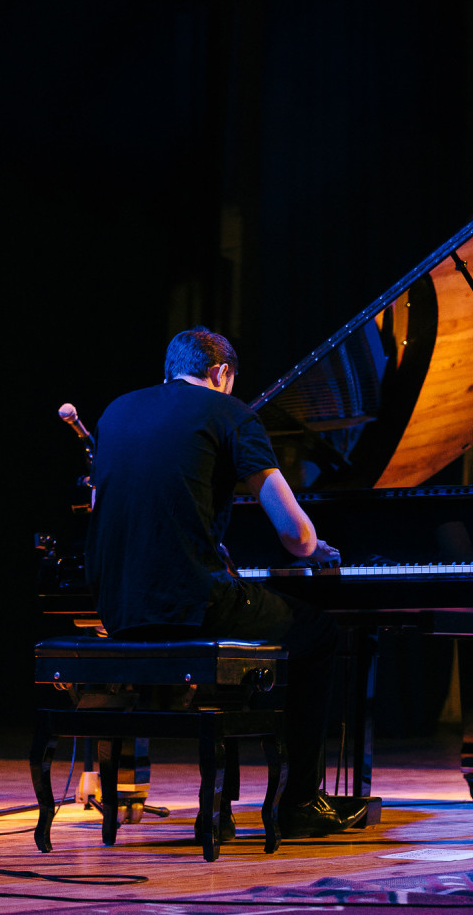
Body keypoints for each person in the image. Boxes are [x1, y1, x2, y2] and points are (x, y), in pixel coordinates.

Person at [85, 325, 363, 839]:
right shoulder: (231, 412)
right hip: (195, 603)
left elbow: (107, 511)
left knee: (243, 636)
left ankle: (220, 808)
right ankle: (299, 802)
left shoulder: (116, 412)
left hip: (118, 605)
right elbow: (298, 537)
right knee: (319, 634)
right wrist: (315, 547)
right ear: (221, 372)